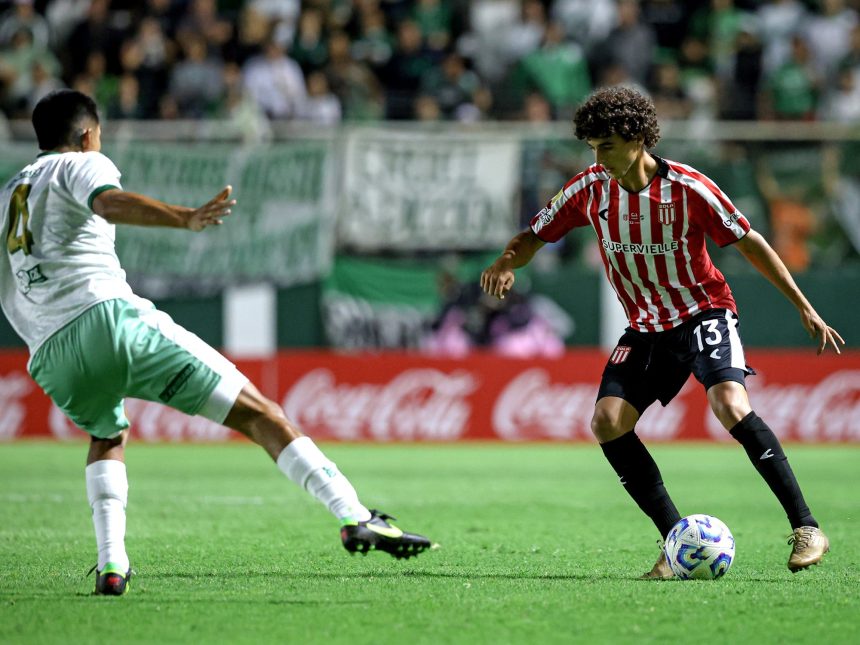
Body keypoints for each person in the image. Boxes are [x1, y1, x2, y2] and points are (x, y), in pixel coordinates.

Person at [0, 90, 432, 596]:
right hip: (106, 318)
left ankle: (112, 565)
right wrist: (182, 217)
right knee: (260, 413)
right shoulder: (80, 164)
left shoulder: (10, 194)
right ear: (88, 134)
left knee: (107, 435)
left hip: (51, 354)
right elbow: (109, 203)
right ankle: (355, 515)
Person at [480, 86, 843, 579]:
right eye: (593, 148)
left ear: (637, 139)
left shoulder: (690, 188)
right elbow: (533, 236)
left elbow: (750, 242)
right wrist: (507, 262)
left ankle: (806, 527)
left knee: (729, 404)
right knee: (607, 421)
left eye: (607, 146)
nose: (598, 158)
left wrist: (803, 306)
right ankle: (677, 543)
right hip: (646, 328)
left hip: (703, 313)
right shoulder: (589, 189)